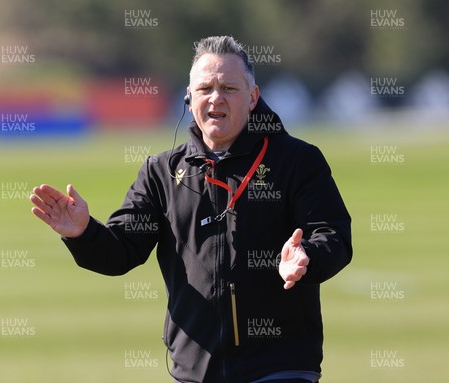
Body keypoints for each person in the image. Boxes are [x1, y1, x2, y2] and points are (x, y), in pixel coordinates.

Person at [30, 36, 352, 383]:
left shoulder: (297, 160)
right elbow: (120, 253)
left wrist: (306, 256)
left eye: (229, 87)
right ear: (189, 97)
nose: (216, 98)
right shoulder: (161, 172)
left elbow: (333, 234)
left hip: (280, 366)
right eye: (205, 88)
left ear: (253, 97)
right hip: (196, 371)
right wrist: (83, 232)